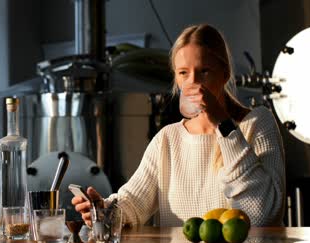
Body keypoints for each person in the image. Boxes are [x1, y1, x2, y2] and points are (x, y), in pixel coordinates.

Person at [72, 24, 285, 227]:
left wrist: (223, 124)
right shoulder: (168, 138)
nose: (193, 82)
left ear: (225, 74)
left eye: (204, 71)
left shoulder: (257, 123)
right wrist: (103, 210)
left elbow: (263, 215)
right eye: (184, 73)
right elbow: (134, 202)